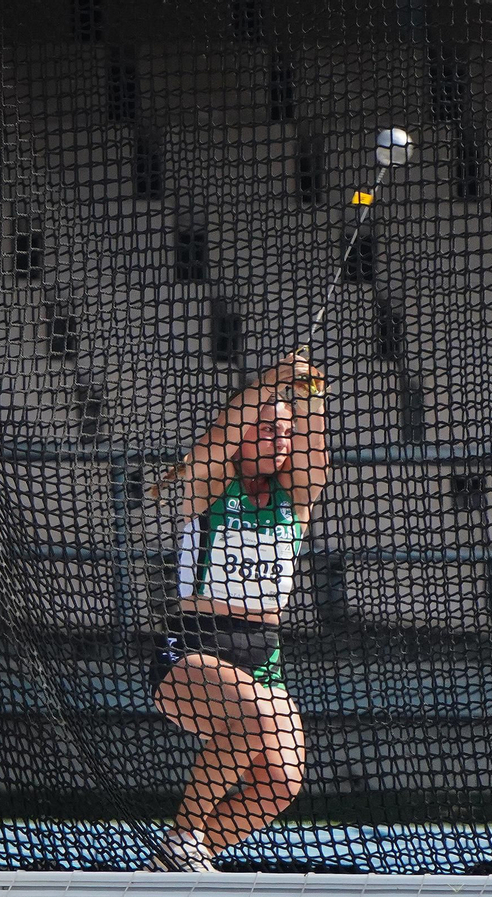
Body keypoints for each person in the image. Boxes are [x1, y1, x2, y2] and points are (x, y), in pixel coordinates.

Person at [146, 352, 329, 871]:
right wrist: (274, 381)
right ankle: (181, 840)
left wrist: (309, 388)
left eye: (285, 432)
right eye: (268, 428)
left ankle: (188, 858)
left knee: (282, 781)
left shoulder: (294, 498)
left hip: (263, 657)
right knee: (251, 723)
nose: (281, 439)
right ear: (245, 432)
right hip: (194, 649)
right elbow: (221, 435)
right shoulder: (208, 485)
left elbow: (316, 453)